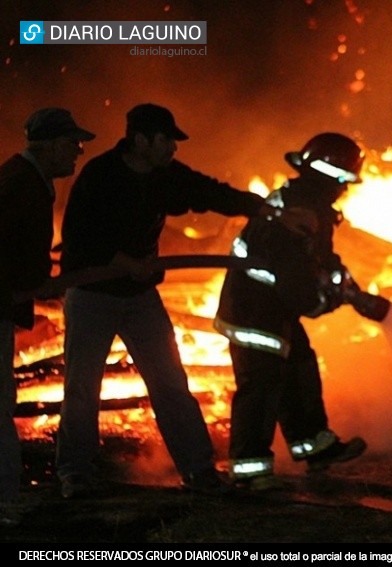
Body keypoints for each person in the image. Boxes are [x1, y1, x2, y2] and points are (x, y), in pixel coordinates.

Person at [55, 103, 316, 499]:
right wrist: (122, 262)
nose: (173, 149)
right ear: (140, 139)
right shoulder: (100, 177)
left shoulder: (165, 177)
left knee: (172, 385)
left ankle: (199, 472)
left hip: (140, 297)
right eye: (166, 140)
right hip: (92, 297)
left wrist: (267, 210)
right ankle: (75, 473)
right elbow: (79, 239)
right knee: (81, 389)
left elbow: (211, 192)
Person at [214, 132, 381, 490]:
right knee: (261, 387)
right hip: (255, 312)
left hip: (273, 308)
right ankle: (249, 471)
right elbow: (298, 288)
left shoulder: (308, 203)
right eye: (343, 181)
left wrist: (351, 290)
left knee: (299, 368)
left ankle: (315, 447)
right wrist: (326, 302)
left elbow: (321, 260)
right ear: (331, 177)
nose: (345, 190)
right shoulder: (299, 212)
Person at [1, 108, 95, 525]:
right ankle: (5, 501)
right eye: (73, 144)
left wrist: (44, 272)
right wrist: (39, 279)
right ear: (51, 145)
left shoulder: (26, 179)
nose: (78, 152)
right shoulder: (22, 183)